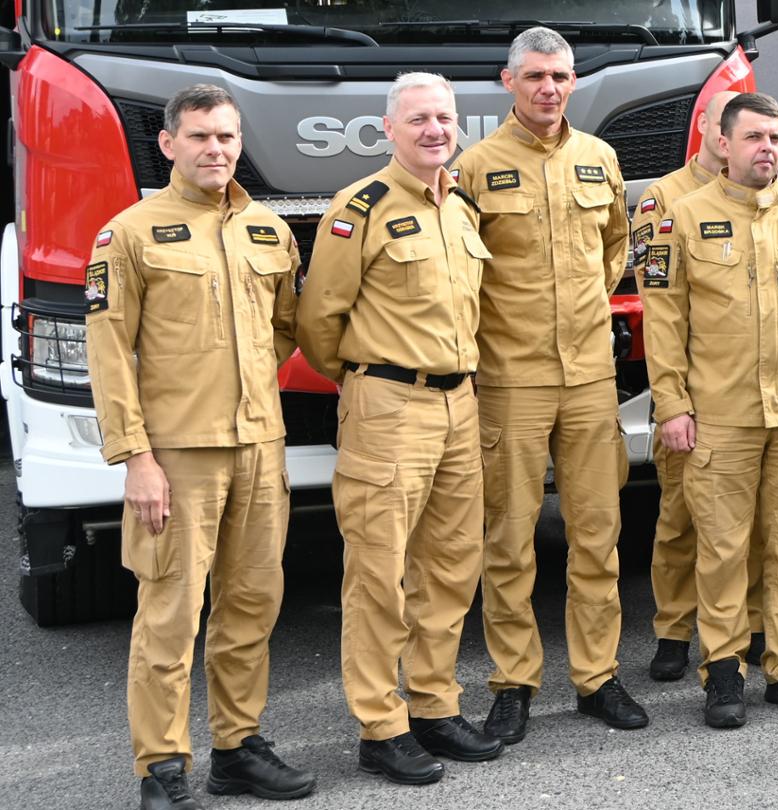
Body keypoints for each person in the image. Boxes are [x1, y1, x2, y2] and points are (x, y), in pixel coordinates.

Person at [87, 84, 315, 810]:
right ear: (168, 144)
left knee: (251, 607)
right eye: (199, 136)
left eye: (225, 136)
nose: (215, 149)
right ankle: (160, 767)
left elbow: (285, 328)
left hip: (260, 447)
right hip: (177, 458)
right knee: (170, 616)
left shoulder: (269, 231)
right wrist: (137, 458)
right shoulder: (128, 234)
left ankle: (237, 749)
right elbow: (109, 353)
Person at [298, 72, 503, 783]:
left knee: (449, 566)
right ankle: (380, 726)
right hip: (388, 406)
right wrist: (367, 381)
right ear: (389, 129)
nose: (434, 130)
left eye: (444, 118)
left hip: (459, 405)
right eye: (418, 119)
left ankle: (434, 707)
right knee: (379, 573)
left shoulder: (462, 207)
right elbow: (318, 322)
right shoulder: (360, 208)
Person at [452, 27, 646, 743]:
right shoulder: (474, 167)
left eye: (560, 76)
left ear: (573, 81)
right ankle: (513, 683)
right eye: (535, 76)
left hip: (590, 376)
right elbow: (461, 272)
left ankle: (598, 677)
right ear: (509, 82)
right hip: (512, 378)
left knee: (598, 534)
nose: (549, 89)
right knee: (509, 540)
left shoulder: (600, 157)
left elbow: (616, 248)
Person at [644, 93, 778, 728]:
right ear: (724, 143)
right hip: (720, 417)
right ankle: (723, 671)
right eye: (754, 137)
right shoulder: (682, 217)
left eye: (775, 138)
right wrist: (672, 406)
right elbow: (664, 321)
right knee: (722, 551)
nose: (767, 148)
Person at [638, 89, 769, 682]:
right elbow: (659, 306)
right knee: (681, 520)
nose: (733, 138)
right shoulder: (665, 199)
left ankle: (753, 624)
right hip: (693, 398)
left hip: (751, 398)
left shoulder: (765, 197)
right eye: (725, 127)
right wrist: (673, 402)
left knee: (755, 525)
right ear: (712, 133)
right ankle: (674, 628)